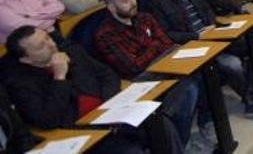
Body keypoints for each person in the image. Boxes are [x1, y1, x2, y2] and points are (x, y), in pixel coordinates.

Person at [145, 0, 253, 116]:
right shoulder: (156, 1)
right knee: (233, 64)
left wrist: (213, 25)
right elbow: (168, 34)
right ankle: (252, 102)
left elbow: (207, 10)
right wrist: (197, 35)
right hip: (193, 44)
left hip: (214, 35)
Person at [2, 26, 158, 153]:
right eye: (41, 46)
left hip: (108, 110)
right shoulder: (19, 84)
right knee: (130, 150)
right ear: (26, 59)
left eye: (47, 38)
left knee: (159, 118)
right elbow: (47, 120)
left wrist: (108, 104)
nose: (51, 45)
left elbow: (107, 74)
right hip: (80, 131)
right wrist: (59, 77)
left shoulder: (72, 51)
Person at [93, 0, 204, 151]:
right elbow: (132, 67)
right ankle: (167, 129)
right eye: (125, 0)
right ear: (111, 7)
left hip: (164, 65)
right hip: (137, 81)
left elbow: (167, 44)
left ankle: (173, 127)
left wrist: (149, 50)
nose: (133, 3)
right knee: (187, 88)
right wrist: (155, 46)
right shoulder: (105, 33)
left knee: (193, 80)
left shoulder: (145, 18)